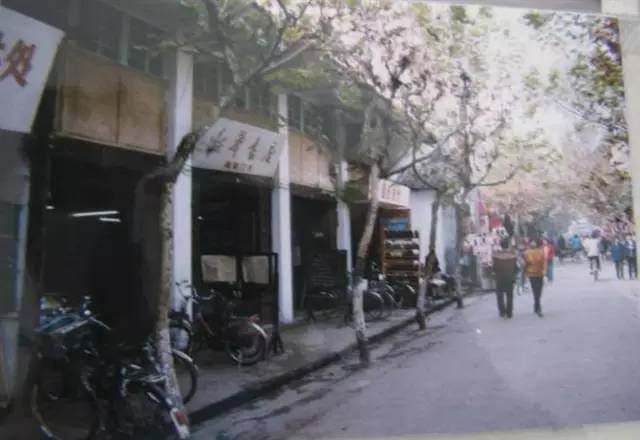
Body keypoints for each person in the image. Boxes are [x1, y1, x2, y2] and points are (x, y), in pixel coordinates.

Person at [492, 238, 517, 318]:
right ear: (508, 245)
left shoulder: (496, 256)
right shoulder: (513, 255)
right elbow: (515, 268)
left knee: (500, 295)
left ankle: (502, 311)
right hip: (510, 277)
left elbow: (494, 268)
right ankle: (509, 312)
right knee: (510, 295)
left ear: (501, 245)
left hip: (500, 278)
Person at [524, 238, 547, 317]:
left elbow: (526, 263)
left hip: (534, 274)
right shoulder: (539, 253)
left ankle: (536, 305)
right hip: (537, 274)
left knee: (536, 291)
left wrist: (525, 271)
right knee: (538, 291)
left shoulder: (529, 253)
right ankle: (538, 307)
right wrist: (544, 271)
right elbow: (544, 263)